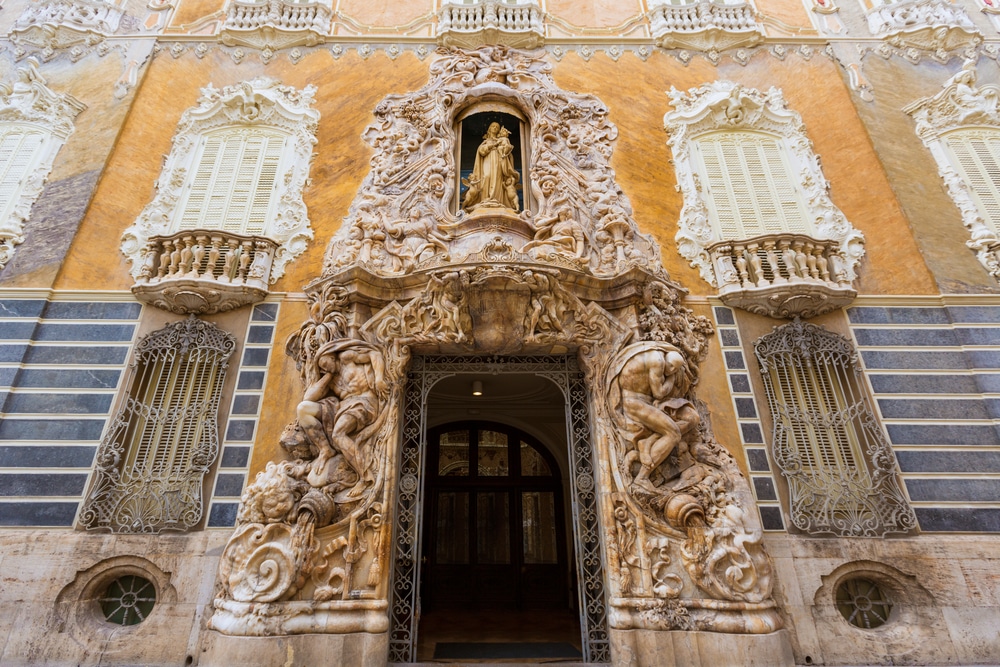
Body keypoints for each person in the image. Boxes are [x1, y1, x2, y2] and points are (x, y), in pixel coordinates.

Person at [616, 345, 701, 494]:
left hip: (641, 401)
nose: (672, 371)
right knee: (674, 433)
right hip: (635, 403)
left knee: (679, 424)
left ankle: (647, 443)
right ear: (667, 360)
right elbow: (659, 392)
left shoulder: (653, 354)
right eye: (672, 367)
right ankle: (642, 478)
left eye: (675, 370)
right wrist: (672, 378)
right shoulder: (658, 361)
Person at [462, 122, 520, 212]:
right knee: (486, 176)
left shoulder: (501, 140)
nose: (495, 128)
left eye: (497, 127)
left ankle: (496, 199)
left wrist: (504, 150)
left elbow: (507, 152)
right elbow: (481, 151)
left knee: (497, 178)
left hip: (498, 161)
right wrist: (490, 146)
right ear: (489, 128)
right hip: (488, 159)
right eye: (493, 126)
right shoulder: (486, 141)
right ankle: (485, 199)